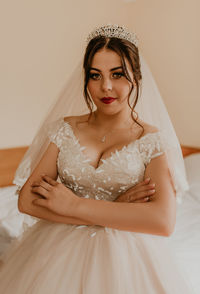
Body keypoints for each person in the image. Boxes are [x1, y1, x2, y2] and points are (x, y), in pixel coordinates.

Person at [0, 24, 196, 293]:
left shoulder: (152, 141)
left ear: (136, 77)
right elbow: (27, 201)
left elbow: (162, 222)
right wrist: (116, 208)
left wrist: (74, 205)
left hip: (126, 260)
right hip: (53, 254)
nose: (106, 87)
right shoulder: (65, 129)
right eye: (95, 75)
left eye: (117, 74)